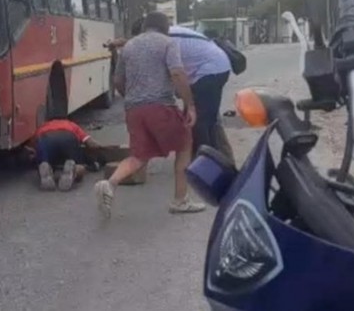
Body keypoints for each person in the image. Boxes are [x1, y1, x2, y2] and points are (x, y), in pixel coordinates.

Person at [95, 12, 205, 218]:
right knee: (185, 143)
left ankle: (109, 184)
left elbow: (118, 81)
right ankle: (180, 200)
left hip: (134, 110)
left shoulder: (128, 46)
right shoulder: (168, 43)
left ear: (145, 26)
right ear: (165, 27)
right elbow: (177, 73)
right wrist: (189, 104)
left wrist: (134, 97)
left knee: (139, 155)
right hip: (160, 106)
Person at [108, 21, 235, 161]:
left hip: (211, 69)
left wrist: (186, 100)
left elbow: (176, 73)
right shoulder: (162, 35)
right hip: (208, 68)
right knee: (207, 117)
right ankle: (220, 157)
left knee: (201, 121)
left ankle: (206, 162)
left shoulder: (165, 39)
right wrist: (118, 43)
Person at [28, 115, 104, 191]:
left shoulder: (42, 127)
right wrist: (100, 149)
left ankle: (46, 167)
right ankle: (74, 170)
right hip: (67, 137)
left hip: (46, 138)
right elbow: (90, 143)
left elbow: (33, 146)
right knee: (79, 165)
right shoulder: (71, 124)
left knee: (44, 160)